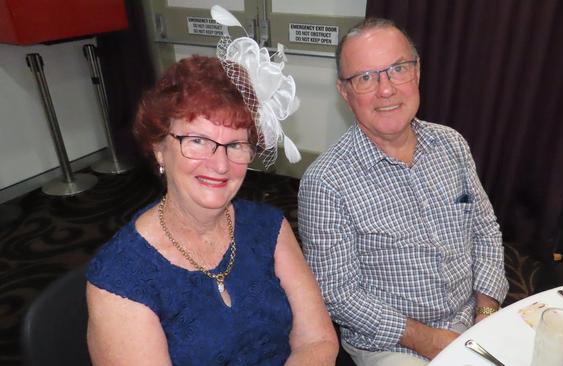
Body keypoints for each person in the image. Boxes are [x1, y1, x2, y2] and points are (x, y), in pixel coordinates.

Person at [85, 54, 338, 365]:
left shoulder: (268, 227)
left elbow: (318, 341)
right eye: (198, 141)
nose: (220, 164)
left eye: (235, 145)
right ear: (159, 148)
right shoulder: (120, 278)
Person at [298, 18, 508, 365]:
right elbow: (338, 295)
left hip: (472, 317)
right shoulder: (325, 182)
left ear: (418, 72)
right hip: (393, 344)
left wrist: (485, 311)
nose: (385, 89)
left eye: (397, 69)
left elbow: (485, 230)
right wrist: (428, 341)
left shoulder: (452, 145)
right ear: (344, 92)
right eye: (365, 77)